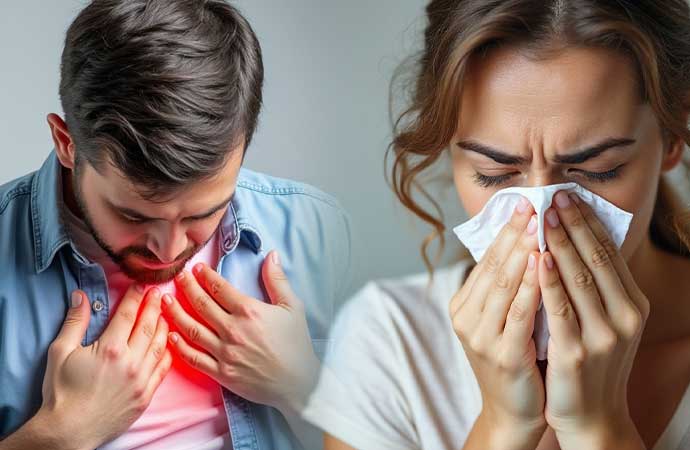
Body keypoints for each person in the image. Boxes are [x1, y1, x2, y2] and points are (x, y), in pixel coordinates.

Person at [304, 1, 690, 449]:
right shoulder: (389, 341)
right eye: (495, 173)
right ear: (450, 150)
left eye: (598, 169)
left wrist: (597, 428)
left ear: (672, 137)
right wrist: (505, 426)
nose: (542, 222)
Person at [0, 1, 350, 449]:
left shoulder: (319, 232)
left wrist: (304, 387)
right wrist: (59, 436)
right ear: (67, 144)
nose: (168, 251)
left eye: (203, 213)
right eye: (133, 215)